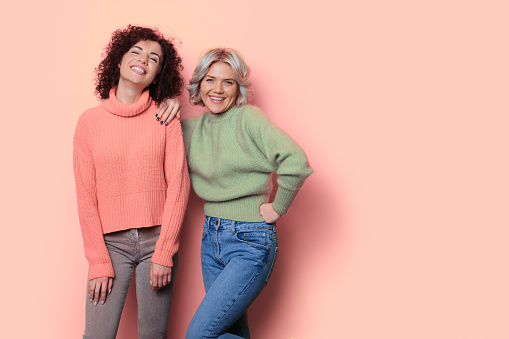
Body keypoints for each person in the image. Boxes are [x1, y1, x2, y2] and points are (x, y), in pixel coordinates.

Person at [160, 48, 313, 338]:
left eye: (228, 82)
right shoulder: (191, 129)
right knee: (231, 330)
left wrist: (277, 207)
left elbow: (296, 161)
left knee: (199, 334)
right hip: (211, 239)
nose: (217, 89)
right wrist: (168, 100)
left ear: (239, 88)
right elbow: (148, 132)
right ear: (198, 85)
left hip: (251, 241)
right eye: (210, 79)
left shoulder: (248, 119)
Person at [73, 25, 190, 339]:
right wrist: (98, 260)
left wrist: (165, 253)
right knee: (96, 335)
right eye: (136, 51)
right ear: (120, 59)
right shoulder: (89, 122)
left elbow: (179, 186)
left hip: (157, 243)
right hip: (111, 247)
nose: (143, 60)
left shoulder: (166, 118)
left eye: (154, 58)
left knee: (153, 336)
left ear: (157, 75)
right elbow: (85, 196)